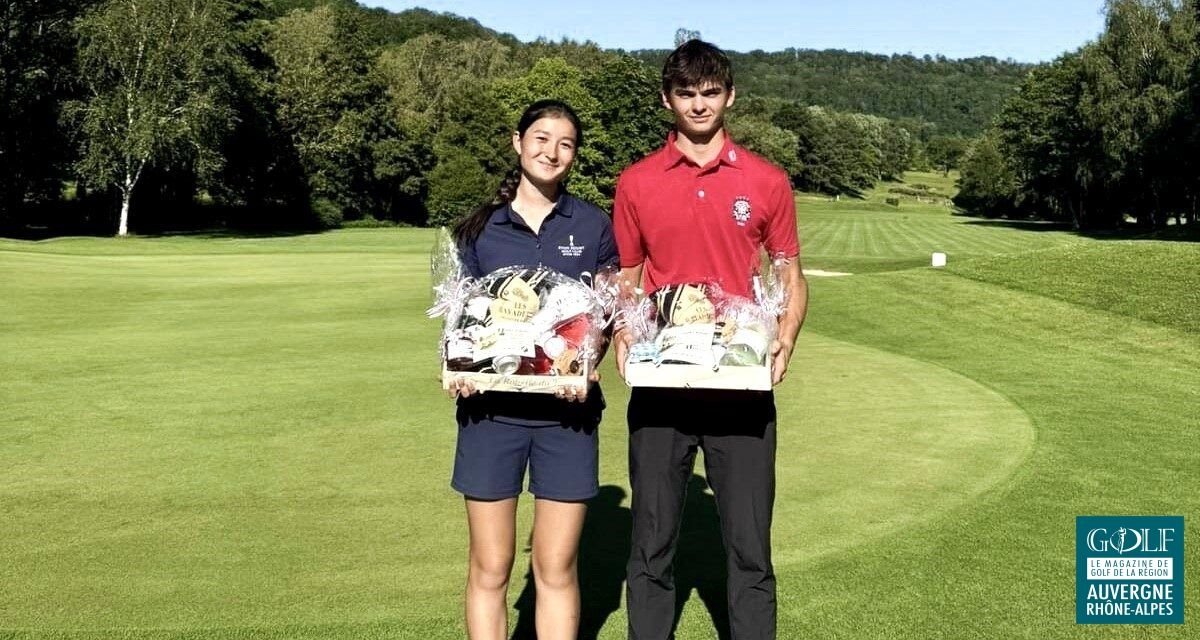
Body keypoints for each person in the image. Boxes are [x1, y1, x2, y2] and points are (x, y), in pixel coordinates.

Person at [611, 40, 809, 640]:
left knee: (750, 551)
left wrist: (786, 337)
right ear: (667, 99)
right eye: (686, 94)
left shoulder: (766, 181)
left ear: (730, 95)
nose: (699, 105)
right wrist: (623, 331)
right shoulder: (637, 182)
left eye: (710, 92)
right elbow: (625, 277)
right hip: (663, 385)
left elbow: (789, 275)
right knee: (650, 548)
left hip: (741, 386)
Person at [446, 99, 619, 640]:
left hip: (567, 418)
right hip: (490, 414)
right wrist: (458, 363)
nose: (552, 151)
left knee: (555, 568)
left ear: (574, 155)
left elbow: (608, 314)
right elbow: (462, 318)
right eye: (541, 138)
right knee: (491, 568)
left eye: (565, 143)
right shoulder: (478, 227)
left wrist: (589, 362)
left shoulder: (593, 224)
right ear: (518, 143)